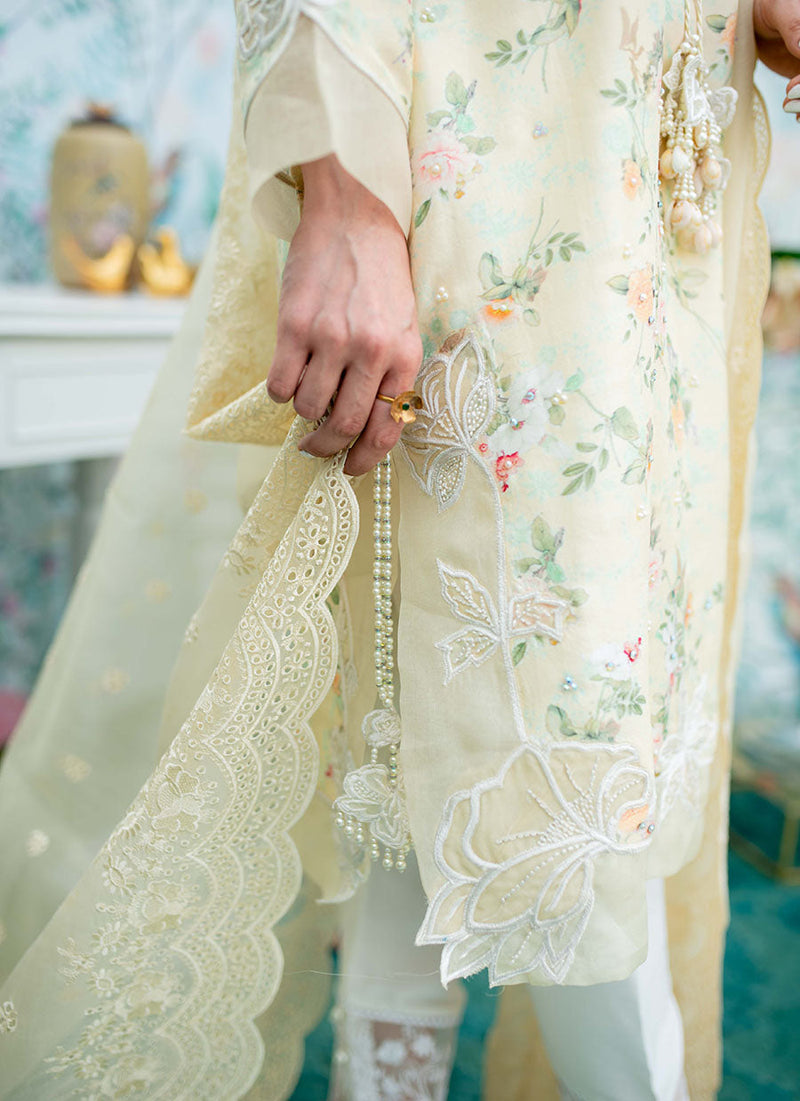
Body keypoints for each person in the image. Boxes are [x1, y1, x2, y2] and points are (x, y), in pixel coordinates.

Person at [0, 1, 795, 1098]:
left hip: (650, 236)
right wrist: (344, 192)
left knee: (433, 764)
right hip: (483, 191)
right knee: (535, 778)